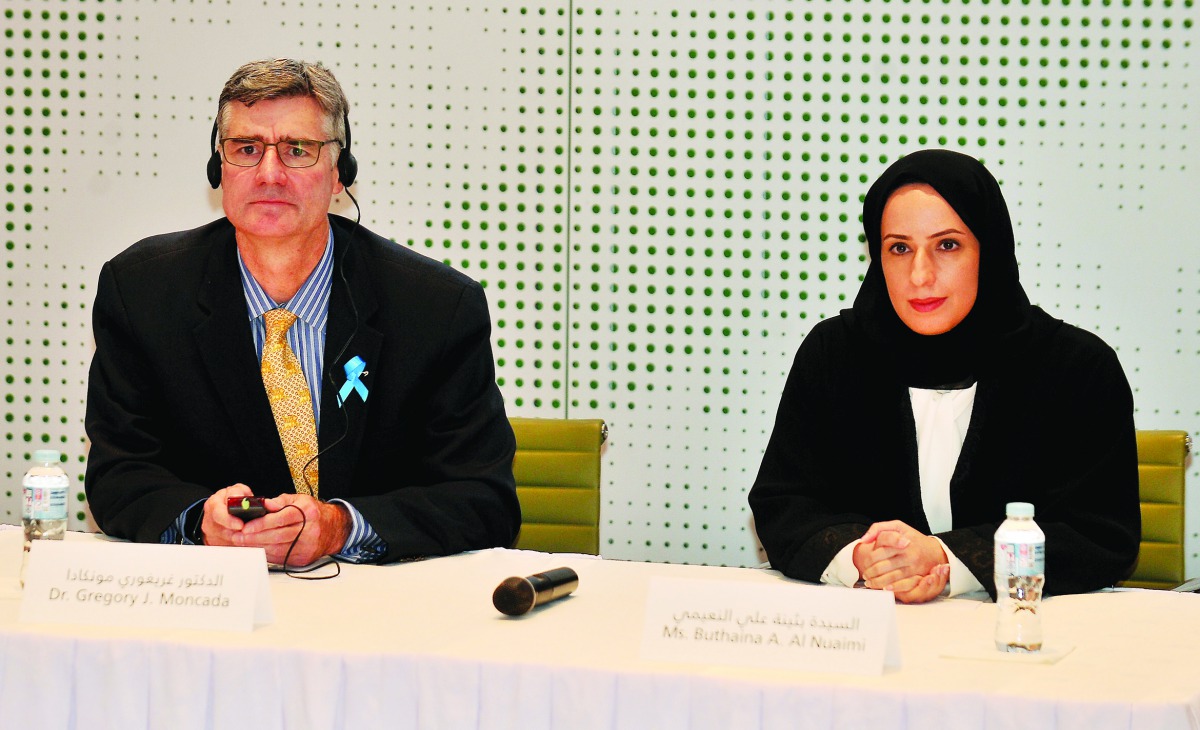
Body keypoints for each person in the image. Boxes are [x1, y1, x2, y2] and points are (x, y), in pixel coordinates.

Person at [84, 59, 520, 566]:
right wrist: (199, 520)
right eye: (246, 149)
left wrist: (340, 528)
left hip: (380, 610)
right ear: (218, 168)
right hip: (211, 606)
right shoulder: (141, 291)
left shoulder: (436, 307)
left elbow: (483, 498)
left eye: (297, 151)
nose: (270, 174)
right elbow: (119, 475)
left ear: (340, 174)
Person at [748, 149, 1140, 604]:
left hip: (1021, 638)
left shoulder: (1076, 369)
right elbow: (784, 506)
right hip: (865, 632)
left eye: (947, 245)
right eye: (899, 248)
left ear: (987, 250)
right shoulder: (834, 355)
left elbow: (1099, 534)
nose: (920, 275)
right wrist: (861, 559)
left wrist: (944, 558)